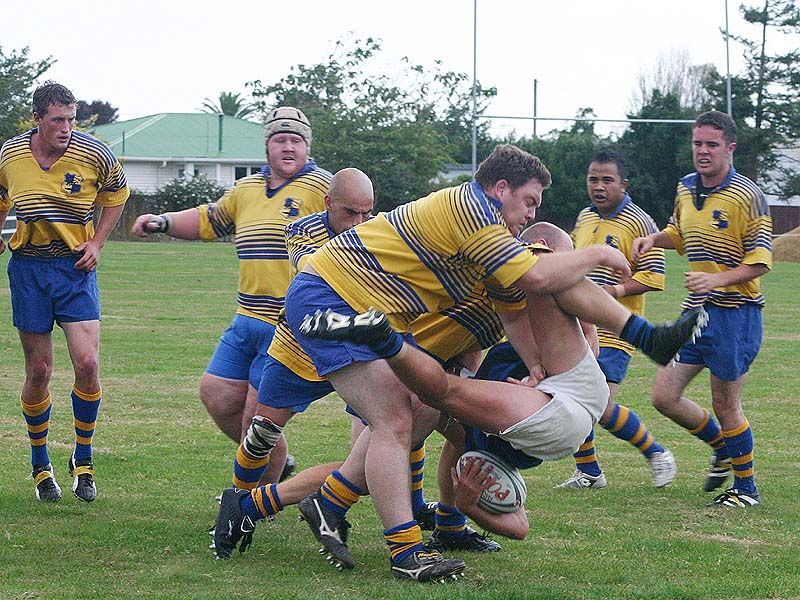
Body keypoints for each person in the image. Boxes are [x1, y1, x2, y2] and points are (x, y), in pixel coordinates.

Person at [282, 144, 703, 582]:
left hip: (366, 309)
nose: (530, 213)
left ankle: (333, 506)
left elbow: (514, 312)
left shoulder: (490, 238)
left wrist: (535, 366)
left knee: (412, 415)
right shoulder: (472, 210)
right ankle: (390, 545)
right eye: (529, 201)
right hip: (334, 296)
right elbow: (537, 277)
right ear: (500, 189)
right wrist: (596, 254)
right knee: (399, 420)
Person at [297, 221, 685, 540]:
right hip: (558, 412)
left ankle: (383, 340)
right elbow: (519, 529)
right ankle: (432, 524)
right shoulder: (479, 436)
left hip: (565, 401)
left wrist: (537, 371)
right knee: (424, 406)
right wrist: (465, 506)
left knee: (437, 395)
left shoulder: (519, 294)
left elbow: (582, 339)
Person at [132, 107, 329, 483]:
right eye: (280, 140)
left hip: (288, 327)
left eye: (296, 140)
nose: (288, 147)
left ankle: (254, 500)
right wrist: (164, 222)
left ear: (307, 146)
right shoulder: (246, 189)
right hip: (247, 319)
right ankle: (276, 465)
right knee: (217, 394)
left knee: (258, 421)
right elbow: (210, 219)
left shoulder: (324, 188)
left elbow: (356, 229)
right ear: (267, 146)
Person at [632, 110, 772, 508]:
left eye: (712, 144)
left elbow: (761, 261)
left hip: (736, 314)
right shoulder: (686, 186)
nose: (703, 151)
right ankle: (722, 446)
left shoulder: (748, 196)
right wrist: (653, 240)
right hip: (697, 314)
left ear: (730, 148)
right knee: (664, 395)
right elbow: (679, 233)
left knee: (725, 403)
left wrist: (716, 280)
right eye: (697, 143)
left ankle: (746, 490)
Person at [0, 82, 130, 502]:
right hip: (29, 269)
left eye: (71, 119)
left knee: (88, 364)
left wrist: (98, 243)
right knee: (39, 371)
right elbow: (1, 195)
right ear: (37, 118)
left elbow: (118, 194)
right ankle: (40, 464)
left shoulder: (95, 154)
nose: (67, 128)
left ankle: (84, 459)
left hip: (74, 269)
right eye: (58, 120)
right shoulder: (10, 154)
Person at [557, 149, 676, 490]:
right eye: (593, 179)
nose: (599, 186)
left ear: (623, 184)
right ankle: (589, 472)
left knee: (599, 404)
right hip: (579, 325)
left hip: (617, 329)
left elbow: (654, 276)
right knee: (575, 398)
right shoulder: (584, 217)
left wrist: (613, 291)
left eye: (607, 180)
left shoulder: (639, 221)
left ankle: (656, 453)